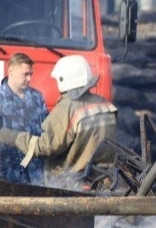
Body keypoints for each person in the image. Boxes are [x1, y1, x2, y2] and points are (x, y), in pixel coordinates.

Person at [0, 55, 118, 188]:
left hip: (71, 184)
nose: (29, 79)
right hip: (101, 180)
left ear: (64, 79)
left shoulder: (65, 107)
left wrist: (11, 136)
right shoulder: (103, 104)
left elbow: (45, 146)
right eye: (25, 74)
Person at [0, 53, 48, 185]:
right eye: (25, 74)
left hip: (36, 177)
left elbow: (46, 129)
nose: (29, 78)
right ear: (11, 71)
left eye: (31, 74)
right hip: (8, 178)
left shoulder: (37, 98)